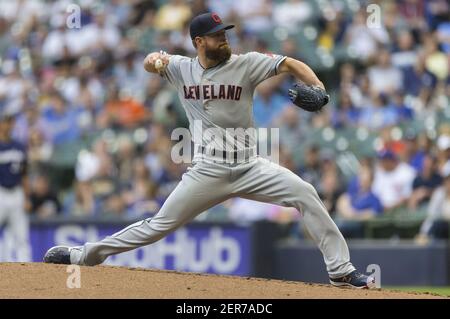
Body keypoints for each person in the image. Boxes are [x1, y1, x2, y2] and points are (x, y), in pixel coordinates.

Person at [44, 13, 375, 289]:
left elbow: (290, 63)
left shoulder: (246, 64)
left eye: (225, 34)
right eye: (217, 36)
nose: (225, 40)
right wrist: (153, 60)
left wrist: (318, 87)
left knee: (305, 192)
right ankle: (83, 256)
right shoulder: (181, 68)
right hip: (208, 170)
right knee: (158, 225)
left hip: (250, 166)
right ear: (199, 42)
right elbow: (151, 63)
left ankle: (340, 270)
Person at [0, 109, 30, 261]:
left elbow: (24, 174)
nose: (7, 125)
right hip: (1, 193)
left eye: (10, 122)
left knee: (21, 235)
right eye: (5, 121)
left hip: (16, 193)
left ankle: (26, 269)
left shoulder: (19, 146)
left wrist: (27, 197)